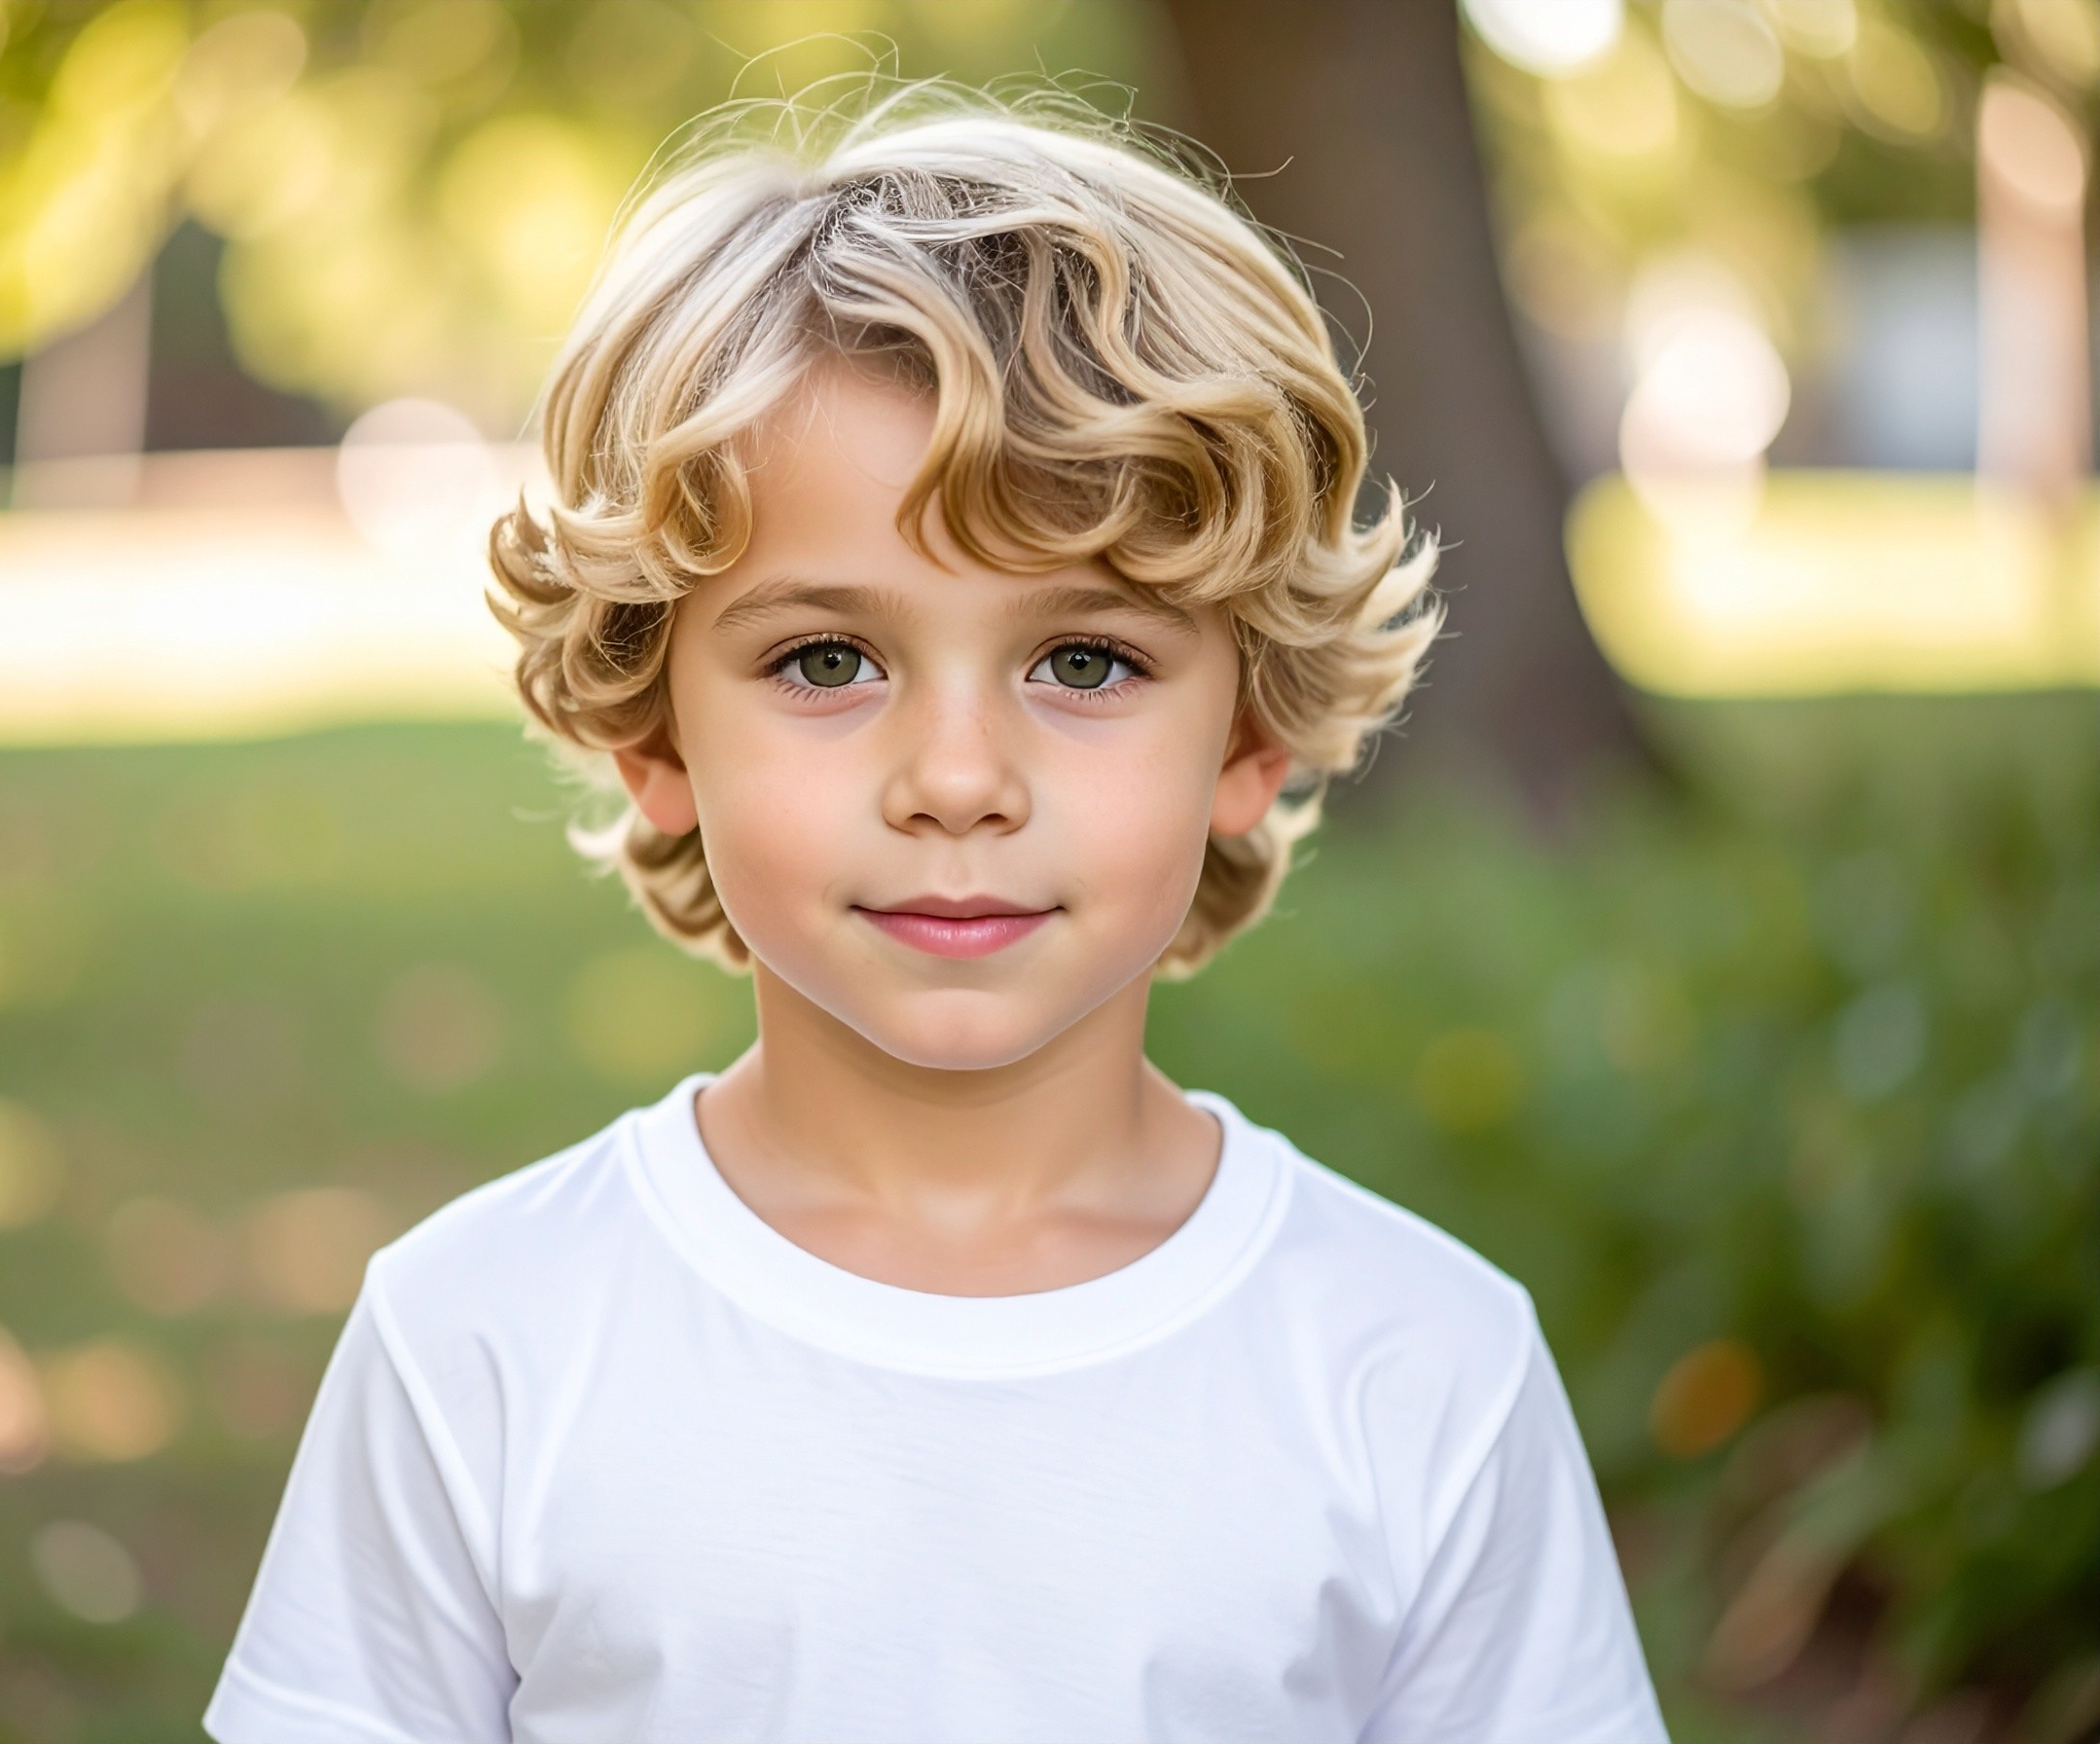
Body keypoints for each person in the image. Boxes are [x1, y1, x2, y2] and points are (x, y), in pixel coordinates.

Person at [204, 85, 1667, 1744]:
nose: (957, 777)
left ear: (1249, 739)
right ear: (653, 730)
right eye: (828, 660)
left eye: (1086, 660)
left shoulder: (1422, 1371)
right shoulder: (473, 1341)